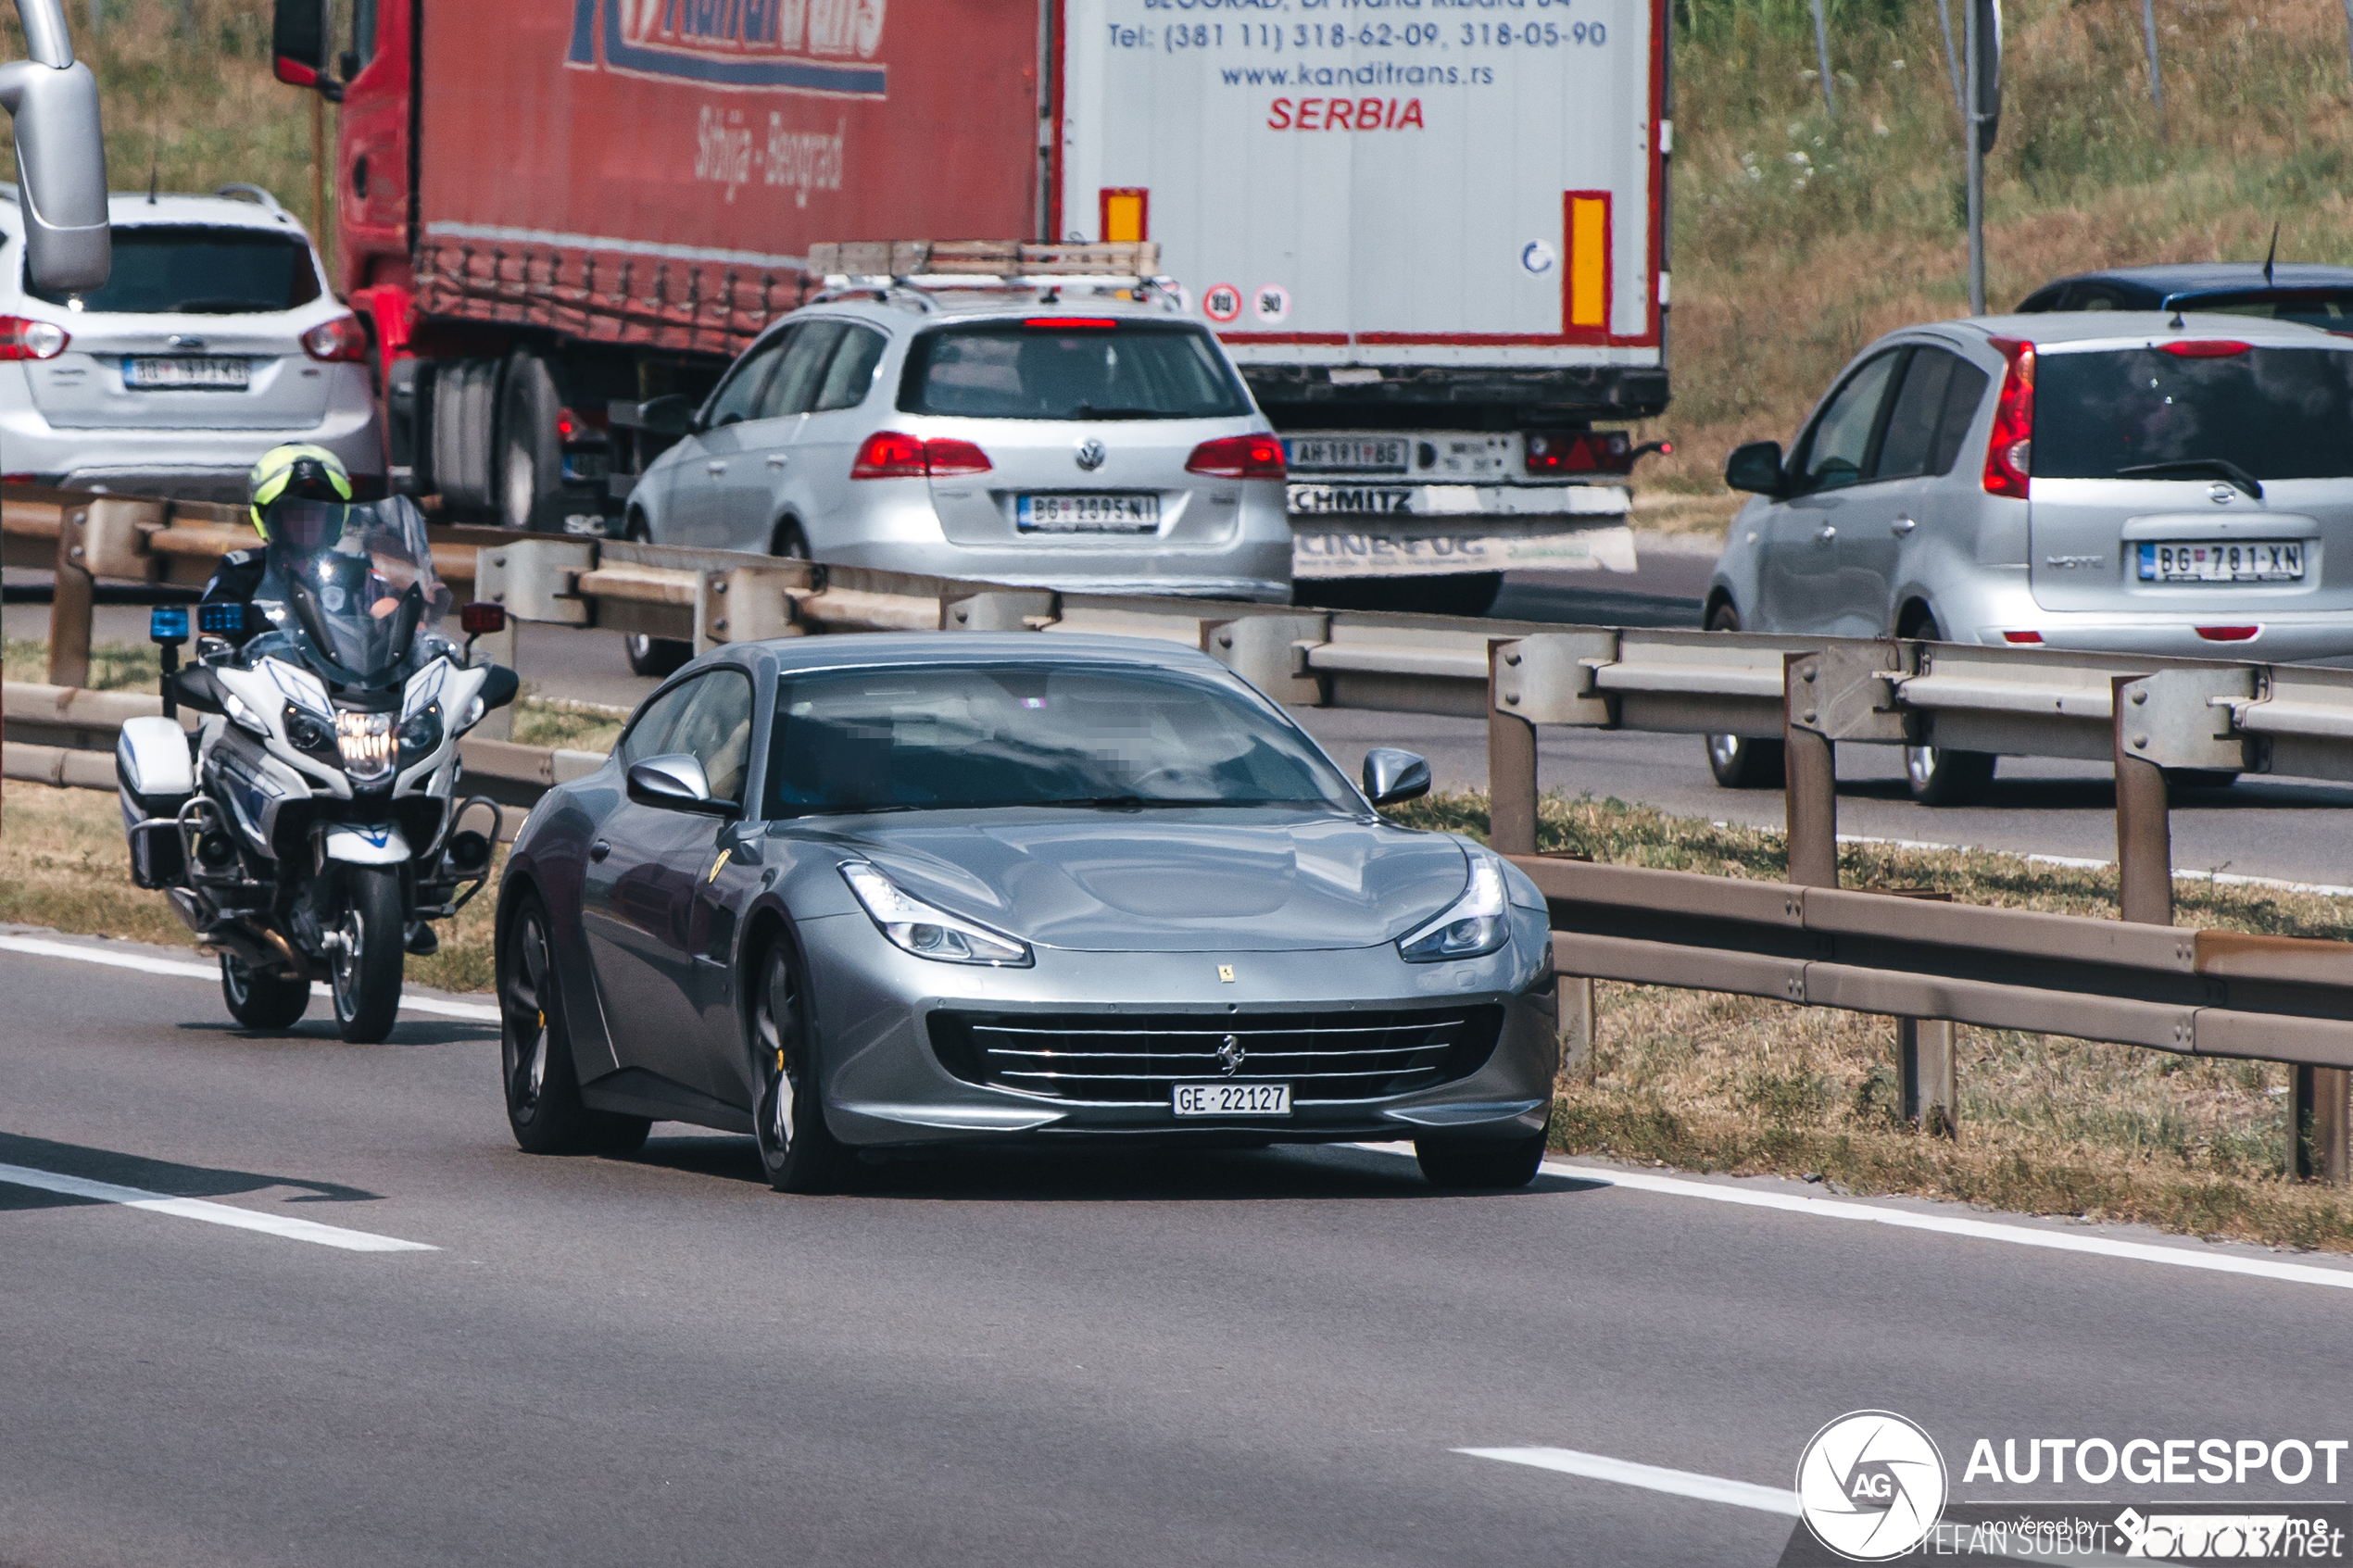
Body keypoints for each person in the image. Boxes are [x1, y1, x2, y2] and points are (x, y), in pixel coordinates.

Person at [199, 444, 356, 607]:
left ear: (332, 517)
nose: (305, 518)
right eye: (294, 508)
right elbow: (213, 625)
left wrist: (383, 611)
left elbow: (380, 609)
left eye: (315, 508)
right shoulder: (242, 573)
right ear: (275, 518)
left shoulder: (355, 572)